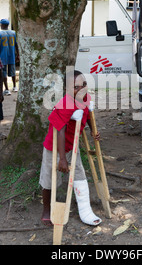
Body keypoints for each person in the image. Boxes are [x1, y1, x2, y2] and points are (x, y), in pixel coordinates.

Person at [40, 70, 102, 227]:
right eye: (76, 87)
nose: (81, 89)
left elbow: (87, 115)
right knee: (49, 178)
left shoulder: (86, 98)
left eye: (84, 85)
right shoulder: (65, 104)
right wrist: (61, 159)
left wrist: (93, 130)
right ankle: (46, 210)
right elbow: (59, 130)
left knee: (79, 174)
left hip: (72, 146)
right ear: (67, 90)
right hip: (54, 147)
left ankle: (85, 210)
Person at [0, 18, 18, 96]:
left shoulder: (0, 34)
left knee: (3, 73)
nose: (0, 25)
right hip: (11, 55)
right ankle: (15, 86)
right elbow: (16, 44)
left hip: (3, 56)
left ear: (3, 25)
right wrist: (18, 54)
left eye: (1, 24)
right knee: (13, 71)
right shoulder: (13, 33)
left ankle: (7, 89)